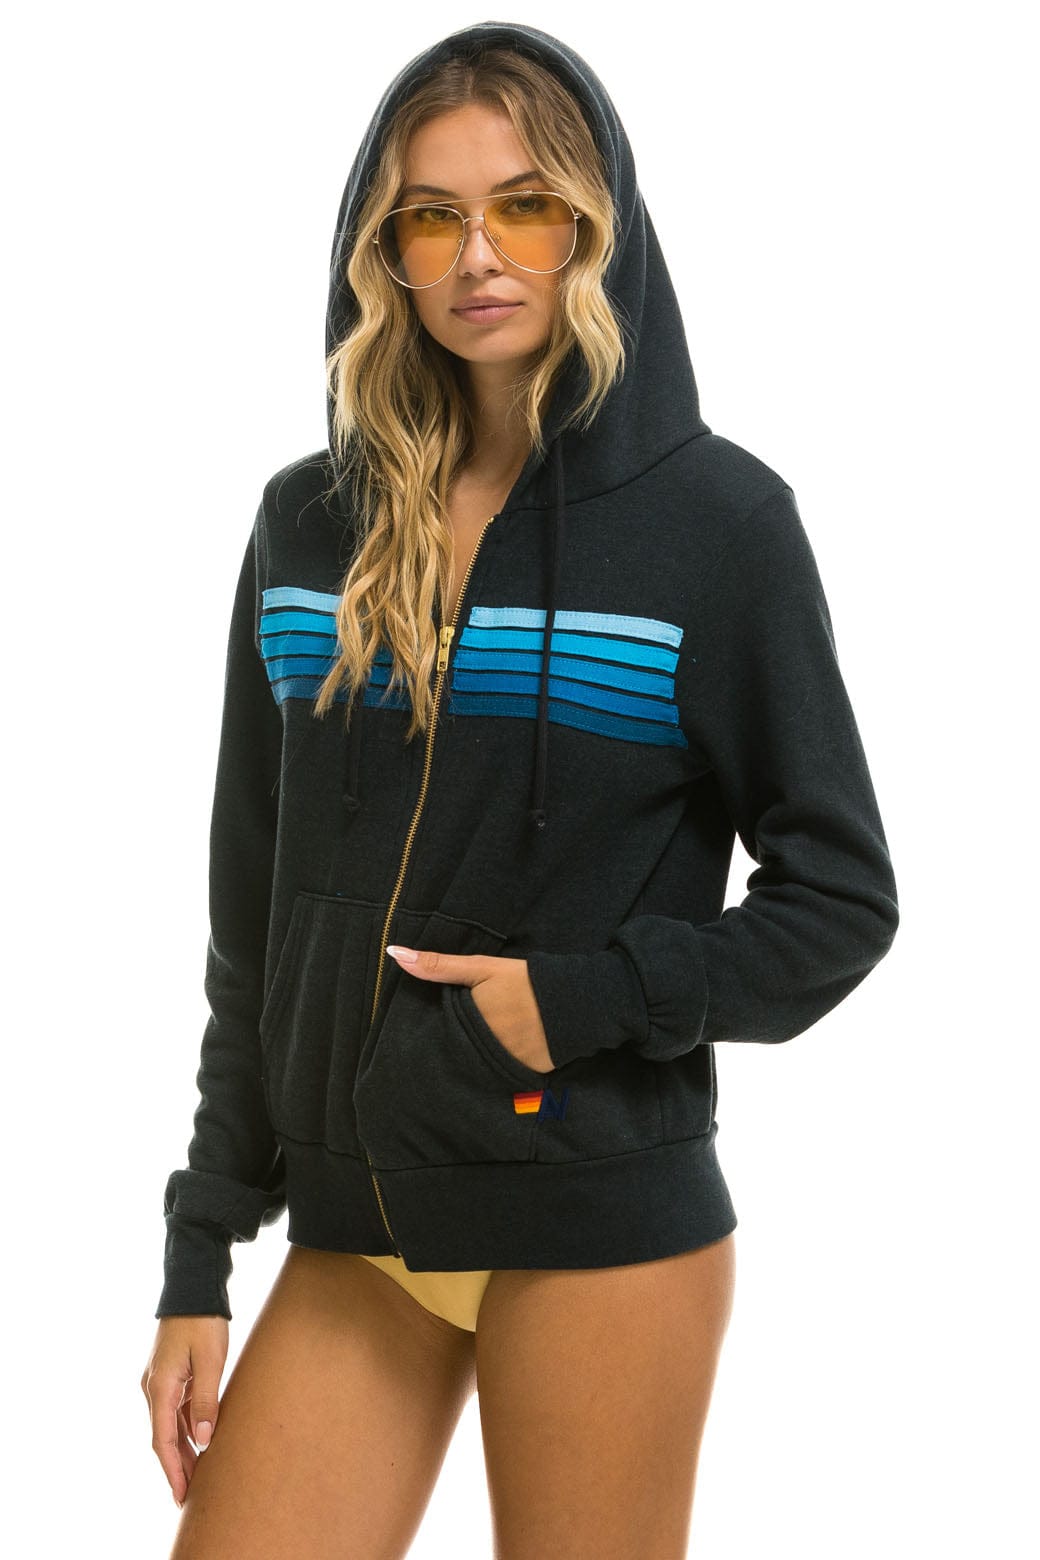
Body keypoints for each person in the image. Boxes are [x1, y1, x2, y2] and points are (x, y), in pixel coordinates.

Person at [141, 20, 899, 1559]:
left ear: (596, 226)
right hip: (358, 1227)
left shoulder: (718, 526)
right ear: (385, 253)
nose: (480, 254)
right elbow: (253, 919)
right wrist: (200, 1251)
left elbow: (841, 900)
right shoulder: (308, 529)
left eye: (527, 207)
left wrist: (574, 1001)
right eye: (432, 217)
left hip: (599, 1226)